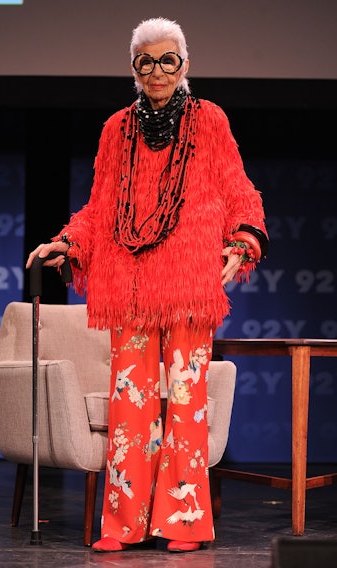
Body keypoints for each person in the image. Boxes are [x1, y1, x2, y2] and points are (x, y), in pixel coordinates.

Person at [26, 17, 268, 553]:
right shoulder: (116, 128)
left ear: (184, 65)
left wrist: (244, 239)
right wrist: (69, 241)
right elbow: (100, 204)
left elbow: (237, 188)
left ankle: (183, 520)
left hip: (187, 284)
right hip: (129, 284)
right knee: (130, 408)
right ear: (133, 68)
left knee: (185, 404)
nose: (157, 71)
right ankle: (123, 525)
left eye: (168, 60)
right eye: (146, 61)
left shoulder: (209, 120)